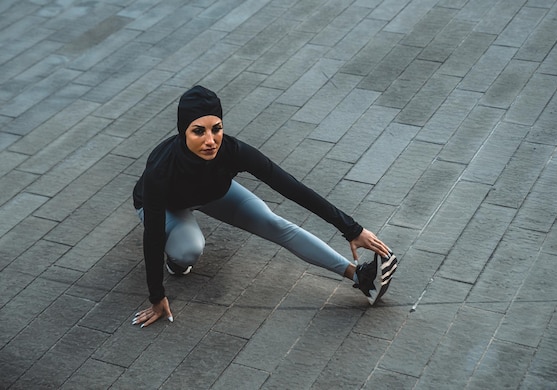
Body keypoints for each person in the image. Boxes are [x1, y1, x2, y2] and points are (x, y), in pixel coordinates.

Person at [131, 86, 398, 328]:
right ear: (183, 131)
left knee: (274, 223)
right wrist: (157, 296)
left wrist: (351, 229)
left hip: (212, 194)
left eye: (217, 128)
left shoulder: (232, 151)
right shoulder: (161, 170)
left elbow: (292, 188)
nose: (210, 140)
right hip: (167, 207)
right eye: (199, 131)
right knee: (190, 249)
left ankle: (359, 277)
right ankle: (176, 263)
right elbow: (152, 235)